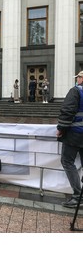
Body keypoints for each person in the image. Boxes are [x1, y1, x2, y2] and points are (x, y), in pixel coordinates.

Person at [56, 71, 83, 208]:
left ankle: (78, 196)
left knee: (67, 161)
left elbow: (67, 111)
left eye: (78, 77)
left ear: (81, 78)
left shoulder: (75, 91)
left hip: (75, 134)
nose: (77, 79)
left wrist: (61, 128)